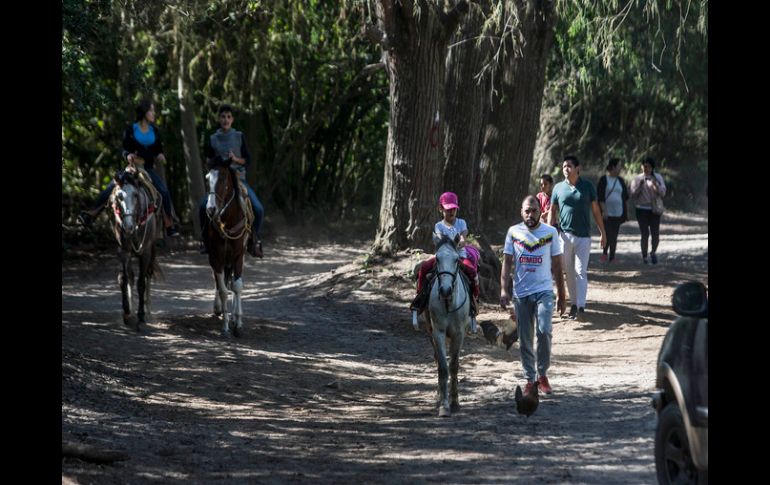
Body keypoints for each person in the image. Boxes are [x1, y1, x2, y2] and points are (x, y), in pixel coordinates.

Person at [78, 99, 179, 237]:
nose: (154, 113)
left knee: (164, 191)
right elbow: (124, 150)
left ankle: (169, 225)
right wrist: (128, 155)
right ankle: (91, 214)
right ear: (144, 112)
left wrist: (160, 155)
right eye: (151, 110)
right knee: (111, 187)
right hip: (132, 167)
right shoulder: (131, 130)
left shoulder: (155, 131)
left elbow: (158, 150)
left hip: (147, 168)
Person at [500, 195, 566, 397]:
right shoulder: (513, 232)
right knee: (526, 339)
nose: (530, 214)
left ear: (540, 211)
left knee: (544, 331)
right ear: (521, 212)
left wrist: (562, 296)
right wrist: (504, 290)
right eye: (527, 211)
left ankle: (542, 374)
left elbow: (557, 266)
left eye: (534, 210)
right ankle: (530, 379)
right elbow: (507, 263)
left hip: (544, 292)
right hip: (521, 294)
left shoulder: (550, 232)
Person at [199, 104, 264, 258]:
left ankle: (254, 240)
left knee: (258, 209)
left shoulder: (239, 136)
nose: (225, 120)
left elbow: (248, 160)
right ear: (218, 119)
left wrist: (235, 159)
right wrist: (219, 160)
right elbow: (207, 161)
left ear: (232, 119)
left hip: (238, 179)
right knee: (203, 207)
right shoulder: (213, 138)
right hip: (220, 181)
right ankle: (205, 241)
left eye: (228, 117)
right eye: (223, 117)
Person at [547, 155, 606, 320]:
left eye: (569, 166)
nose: (566, 169)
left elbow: (595, 211)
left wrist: (603, 232)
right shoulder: (558, 188)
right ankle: (573, 304)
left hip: (584, 237)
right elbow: (552, 210)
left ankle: (580, 306)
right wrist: (549, 230)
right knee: (569, 272)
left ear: (578, 168)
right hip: (564, 237)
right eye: (564, 166)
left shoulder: (587, 187)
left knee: (581, 271)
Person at [410, 192, 480, 317]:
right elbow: (441, 242)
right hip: (442, 257)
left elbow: (463, 236)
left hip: (459, 256)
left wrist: (461, 241)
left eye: (453, 209)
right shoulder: (439, 226)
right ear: (441, 208)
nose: (451, 212)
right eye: (448, 209)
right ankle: (420, 297)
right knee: (424, 268)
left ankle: (474, 299)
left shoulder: (461, 223)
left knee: (472, 272)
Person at [629, 156, 667, 264]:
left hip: (655, 209)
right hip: (641, 209)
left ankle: (653, 252)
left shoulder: (658, 177)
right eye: (644, 166)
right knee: (644, 233)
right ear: (641, 167)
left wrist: (656, 185)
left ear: (652, 168)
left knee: (655, 234)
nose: (646, 169)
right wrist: (640, 186)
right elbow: (632, 194)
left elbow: (663, 193)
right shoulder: (637, 178)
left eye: (649, 167)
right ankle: (644, 256)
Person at [596, 158, 629, 263]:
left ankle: (612, 256)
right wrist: (604, 210)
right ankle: (605, 254)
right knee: (607, 233)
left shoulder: (620, 180)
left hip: (618, 212)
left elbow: (626, 196)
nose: (620, 168)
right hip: (607, 213)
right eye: (619, 166)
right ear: (613, 167)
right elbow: (600, 196)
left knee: (614, 234)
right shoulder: (604, 179)